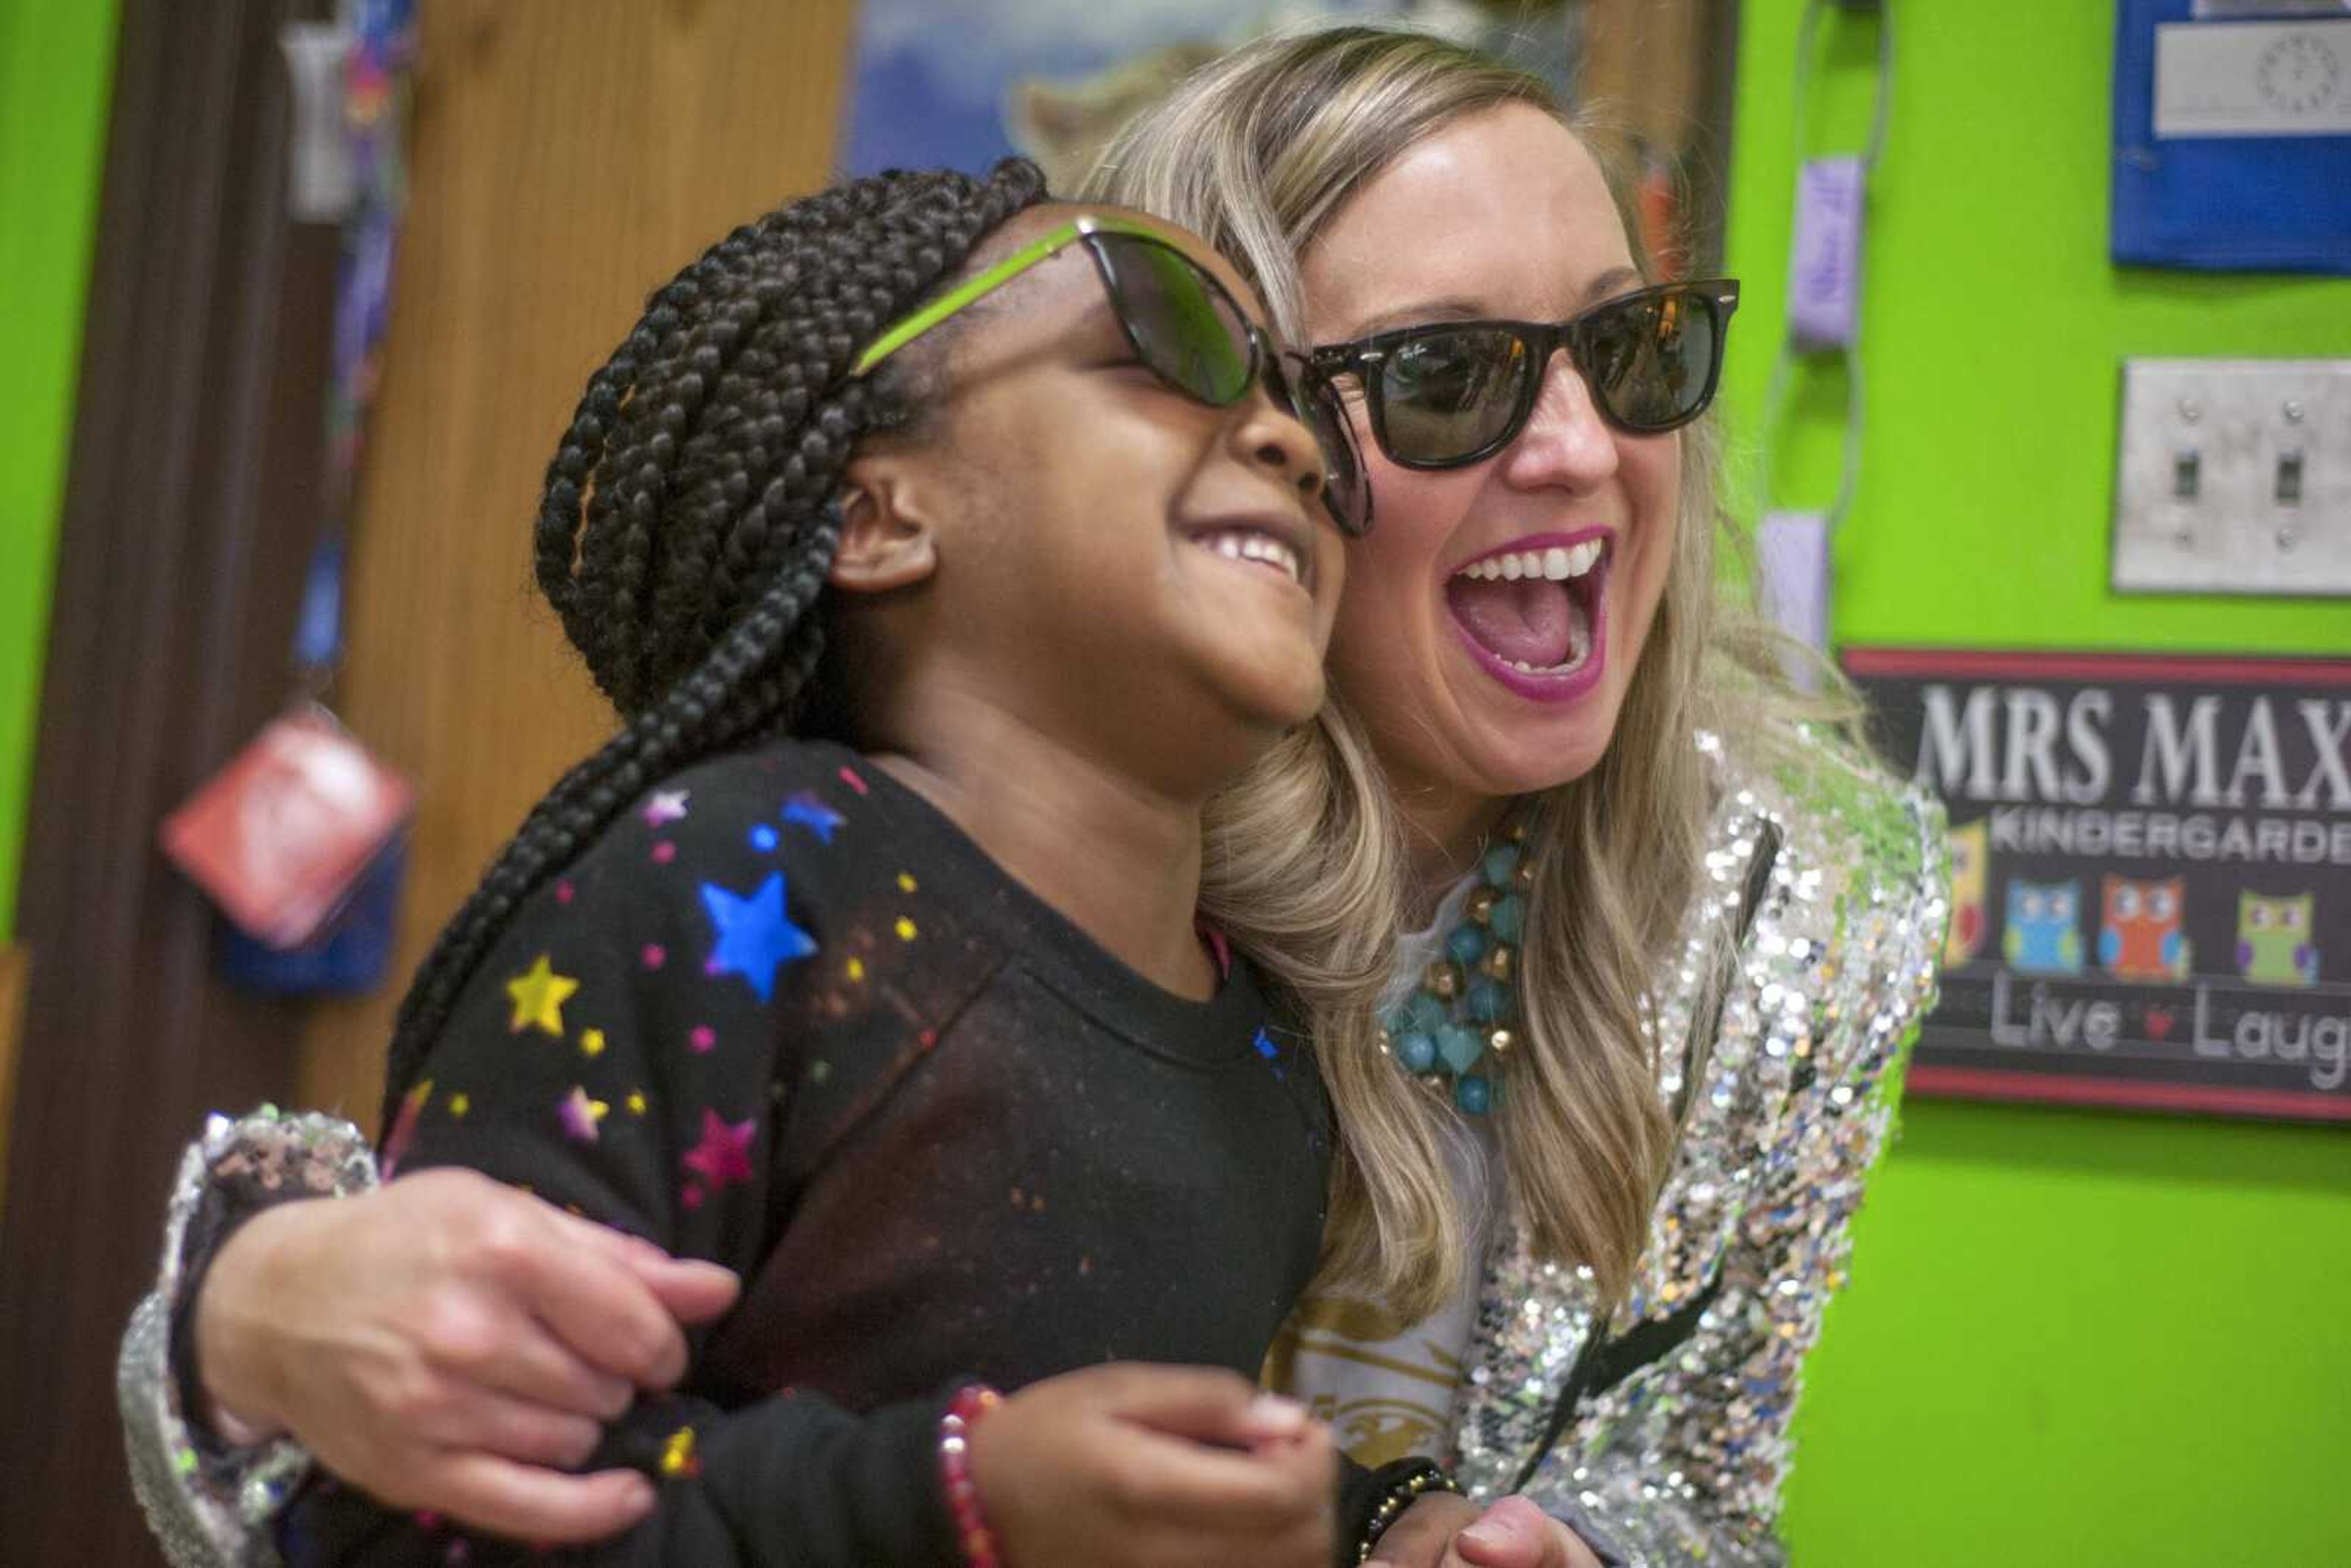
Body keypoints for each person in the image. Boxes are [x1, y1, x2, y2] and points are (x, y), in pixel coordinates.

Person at [121, 26, 1945, 1568]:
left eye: (1629, 353)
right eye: (1446, 378)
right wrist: (243, 1316)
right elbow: (433, 1392)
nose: (1578, 450)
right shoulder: (949, 850)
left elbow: (1680, 1477)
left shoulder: (1785, 899)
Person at [137, 156, 1431, 1567]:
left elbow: (1140, 1477)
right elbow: (427, 1513)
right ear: (878, 516)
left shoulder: (1272, 1062)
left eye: (1297, 408)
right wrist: (950, 1504)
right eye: (1166, 344)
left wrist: (1380, 1532)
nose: (1291, 443)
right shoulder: (734, 883)